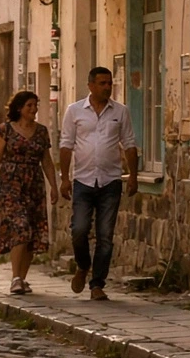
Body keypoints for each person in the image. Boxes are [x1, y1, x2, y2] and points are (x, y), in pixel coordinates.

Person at [56, 66, 138, 301]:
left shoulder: (120, 112)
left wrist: (132, 175)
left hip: (110, 180)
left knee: (105, 235)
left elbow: (129, 143)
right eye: (102, 83)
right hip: (82, 180)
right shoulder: (74, 111)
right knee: (79, 230)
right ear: (90, 85)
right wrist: (64, 178)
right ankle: (83, 265)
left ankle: (97, 284)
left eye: (109, 83)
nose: (106, 87)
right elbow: (66, 144)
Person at [0, 89, 58, 296]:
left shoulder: (41, 131)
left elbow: (47, 161)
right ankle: (16, 277)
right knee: (20, 227)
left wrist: (54, 185)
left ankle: (22, 279)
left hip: (34, 185)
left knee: (33, 231)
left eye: (36, 106)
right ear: (19, 108)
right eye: (29, 106)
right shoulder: (5, 130)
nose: (34, 110)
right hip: (11, 185)